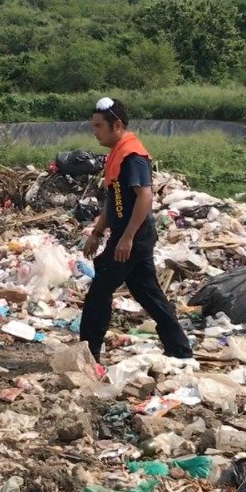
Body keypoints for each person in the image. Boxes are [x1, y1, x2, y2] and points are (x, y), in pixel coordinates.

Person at [80, 97, 193, 361]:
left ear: (116, 125)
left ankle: (87, 353)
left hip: (134, 236)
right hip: (128, 235)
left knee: (100, 290)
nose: (94, 131)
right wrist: (97, 233)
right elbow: (114, 199)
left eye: (98, 126)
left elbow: (144, 197)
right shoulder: (117, 154)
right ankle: (179, 349)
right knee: (147, 292)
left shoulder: (133, 156)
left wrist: (127, 237)